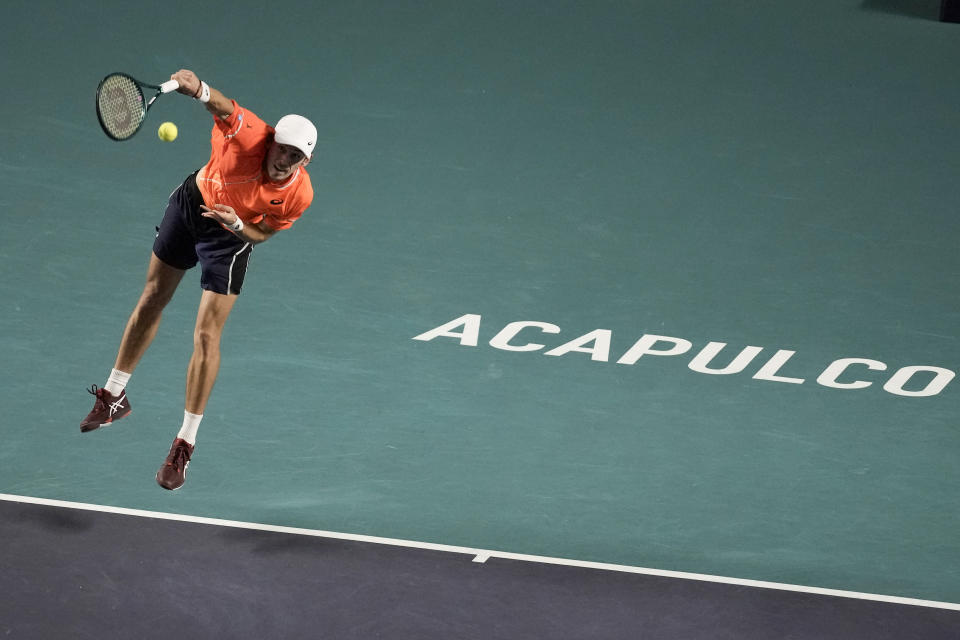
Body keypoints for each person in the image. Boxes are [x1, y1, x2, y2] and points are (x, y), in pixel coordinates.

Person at [80, 69, 316, 490]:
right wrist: (199, 88)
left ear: (306, 161)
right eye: (281, 149)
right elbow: (224, 107)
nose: (283, 159)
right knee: (152, 297)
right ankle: (115, 395)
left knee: (206, 336)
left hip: (230, 238)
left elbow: (265, 233)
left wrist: (241, 225)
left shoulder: (299, 195)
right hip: (192, 205)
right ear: (272, 140)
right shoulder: (249, 135)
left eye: (294, 156)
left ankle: (184, 443)